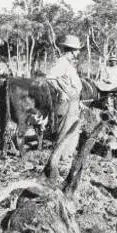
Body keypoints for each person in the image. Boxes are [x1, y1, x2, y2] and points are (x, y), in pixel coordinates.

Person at [45, 35, 84, 167]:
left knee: (72, 131)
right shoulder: (62, 62)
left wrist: (79, 102)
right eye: (77, 50)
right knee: (64, 131)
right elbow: (50, 78)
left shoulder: (68, 64)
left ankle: (66, 159)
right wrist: (61, 92)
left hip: (73, 102)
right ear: (72, 50)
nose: (78, 52)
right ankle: (58, 162)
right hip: (66, 103)